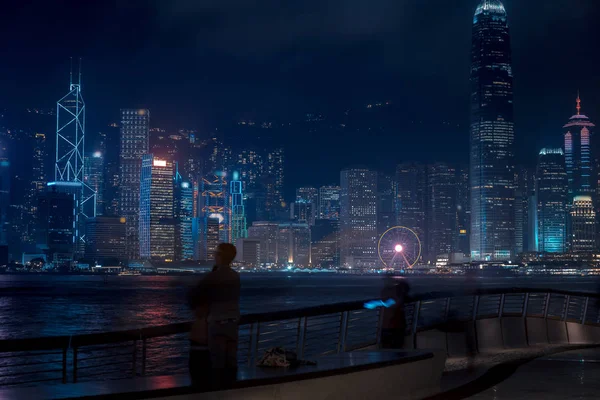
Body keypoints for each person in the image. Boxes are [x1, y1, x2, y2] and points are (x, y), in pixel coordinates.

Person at [189, 243, 241, 389]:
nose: (213, 255)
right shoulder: (235, 276)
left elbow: (196, 294)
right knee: (231, 361)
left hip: (217, 324)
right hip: (233, 323)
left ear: (219, 256)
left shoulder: (214, 276)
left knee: (217, 363)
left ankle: (218, 392)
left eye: (215, 253)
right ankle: (232, 390)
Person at [379, 277, 409, 349]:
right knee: (398, 347)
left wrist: (373, 303)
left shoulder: (390, 294)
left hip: (389, 325)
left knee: (387, 347)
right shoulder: (401, 297)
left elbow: (389, 303)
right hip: (399, 325)